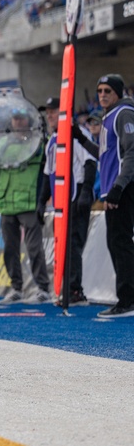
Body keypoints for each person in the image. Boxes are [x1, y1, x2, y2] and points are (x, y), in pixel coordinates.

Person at [39, 97, 95, 306]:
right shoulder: (52, 140)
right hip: (59, 202)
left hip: (75, 194)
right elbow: (48, 173)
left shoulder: (76, 134)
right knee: (62, 245)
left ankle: (75, 290)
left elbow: (90, 161)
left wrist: (86, 191)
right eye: (48, 113)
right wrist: (41, 201)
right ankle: (66, 288)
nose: (50, 116)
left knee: (73, 244)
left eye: (53, 111)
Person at [0, 106, 52, 306]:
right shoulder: (2, 143)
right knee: (10, 249)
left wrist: (42, 200)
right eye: (14, 118)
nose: (18, 122)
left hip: (28, 201)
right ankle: (16, 288)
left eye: (21, 118)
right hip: (6, 201)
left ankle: (43, 288)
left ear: (29, 121)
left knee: (34, 248)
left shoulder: (38, 142)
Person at [93, 74, 134, 317]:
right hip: (113, 189)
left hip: (124, 187)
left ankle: (128, 299)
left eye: (108, 90)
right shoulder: (108, 118)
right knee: (116, 243)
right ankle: (127, 297)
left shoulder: (123, 114)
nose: (103, 94)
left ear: (118, 92)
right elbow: (107, 156)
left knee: (120, 243)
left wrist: (119, 186)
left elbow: (131, 152)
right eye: (99, 90)